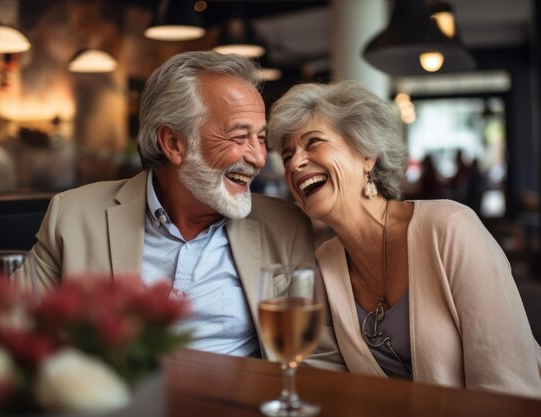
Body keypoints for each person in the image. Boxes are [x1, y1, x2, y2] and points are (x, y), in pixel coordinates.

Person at [24, 51, 344, 370]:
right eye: (239, 137)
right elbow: (8, 335)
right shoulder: (73, 216)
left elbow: (317, 359)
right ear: (174, 143)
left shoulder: (285, 227)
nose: (259, 158)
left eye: (260, 139)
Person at [267, 80, 541, 402]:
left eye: (313, 142)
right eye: (287, 155)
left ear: (365, 154)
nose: (294, 164)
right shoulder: (324, 264)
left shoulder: (450, 228)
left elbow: (506, 388)